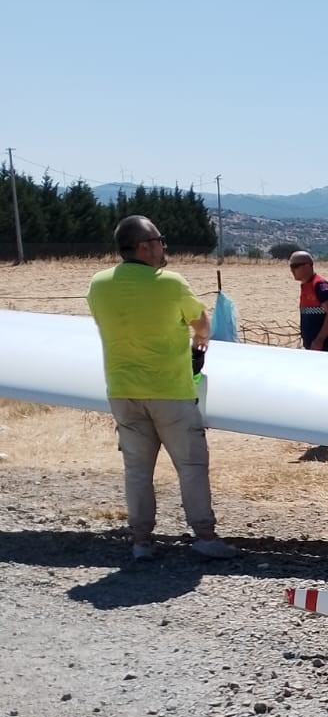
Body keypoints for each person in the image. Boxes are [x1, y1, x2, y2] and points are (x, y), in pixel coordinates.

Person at [87, 215, 236, 561]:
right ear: (144, 247)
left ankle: (141, 542)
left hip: (122, 391)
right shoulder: (171, 283)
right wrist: (199, 342)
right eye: (159, 240)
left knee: (137, 471)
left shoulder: (98, 284)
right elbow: (202, 324)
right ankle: (204, 535)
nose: (163, 246)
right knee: (191, 466)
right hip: (170, 391)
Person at [288, 250, 328, 352]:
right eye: (291, 267)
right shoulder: (306, 286)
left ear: (307, 266)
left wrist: (319, 340)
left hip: (325, 348)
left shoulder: (320, 286)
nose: (292, 270)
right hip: (312, 346)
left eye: (295, 266)